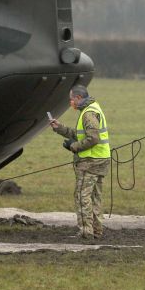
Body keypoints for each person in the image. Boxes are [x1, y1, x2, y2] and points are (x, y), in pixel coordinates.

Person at [49, 85, 111, 239]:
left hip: (90, 162)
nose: (71, 102)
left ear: (78, 98)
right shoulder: (93, 108)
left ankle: (85, 232)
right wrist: (60, 128)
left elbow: (93, 138)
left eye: (71, 99)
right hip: (101, 159)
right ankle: (96, 230)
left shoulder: (88, 113)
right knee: (96, 197)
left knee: (82, 196)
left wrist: (74, 147)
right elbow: (80, 134)